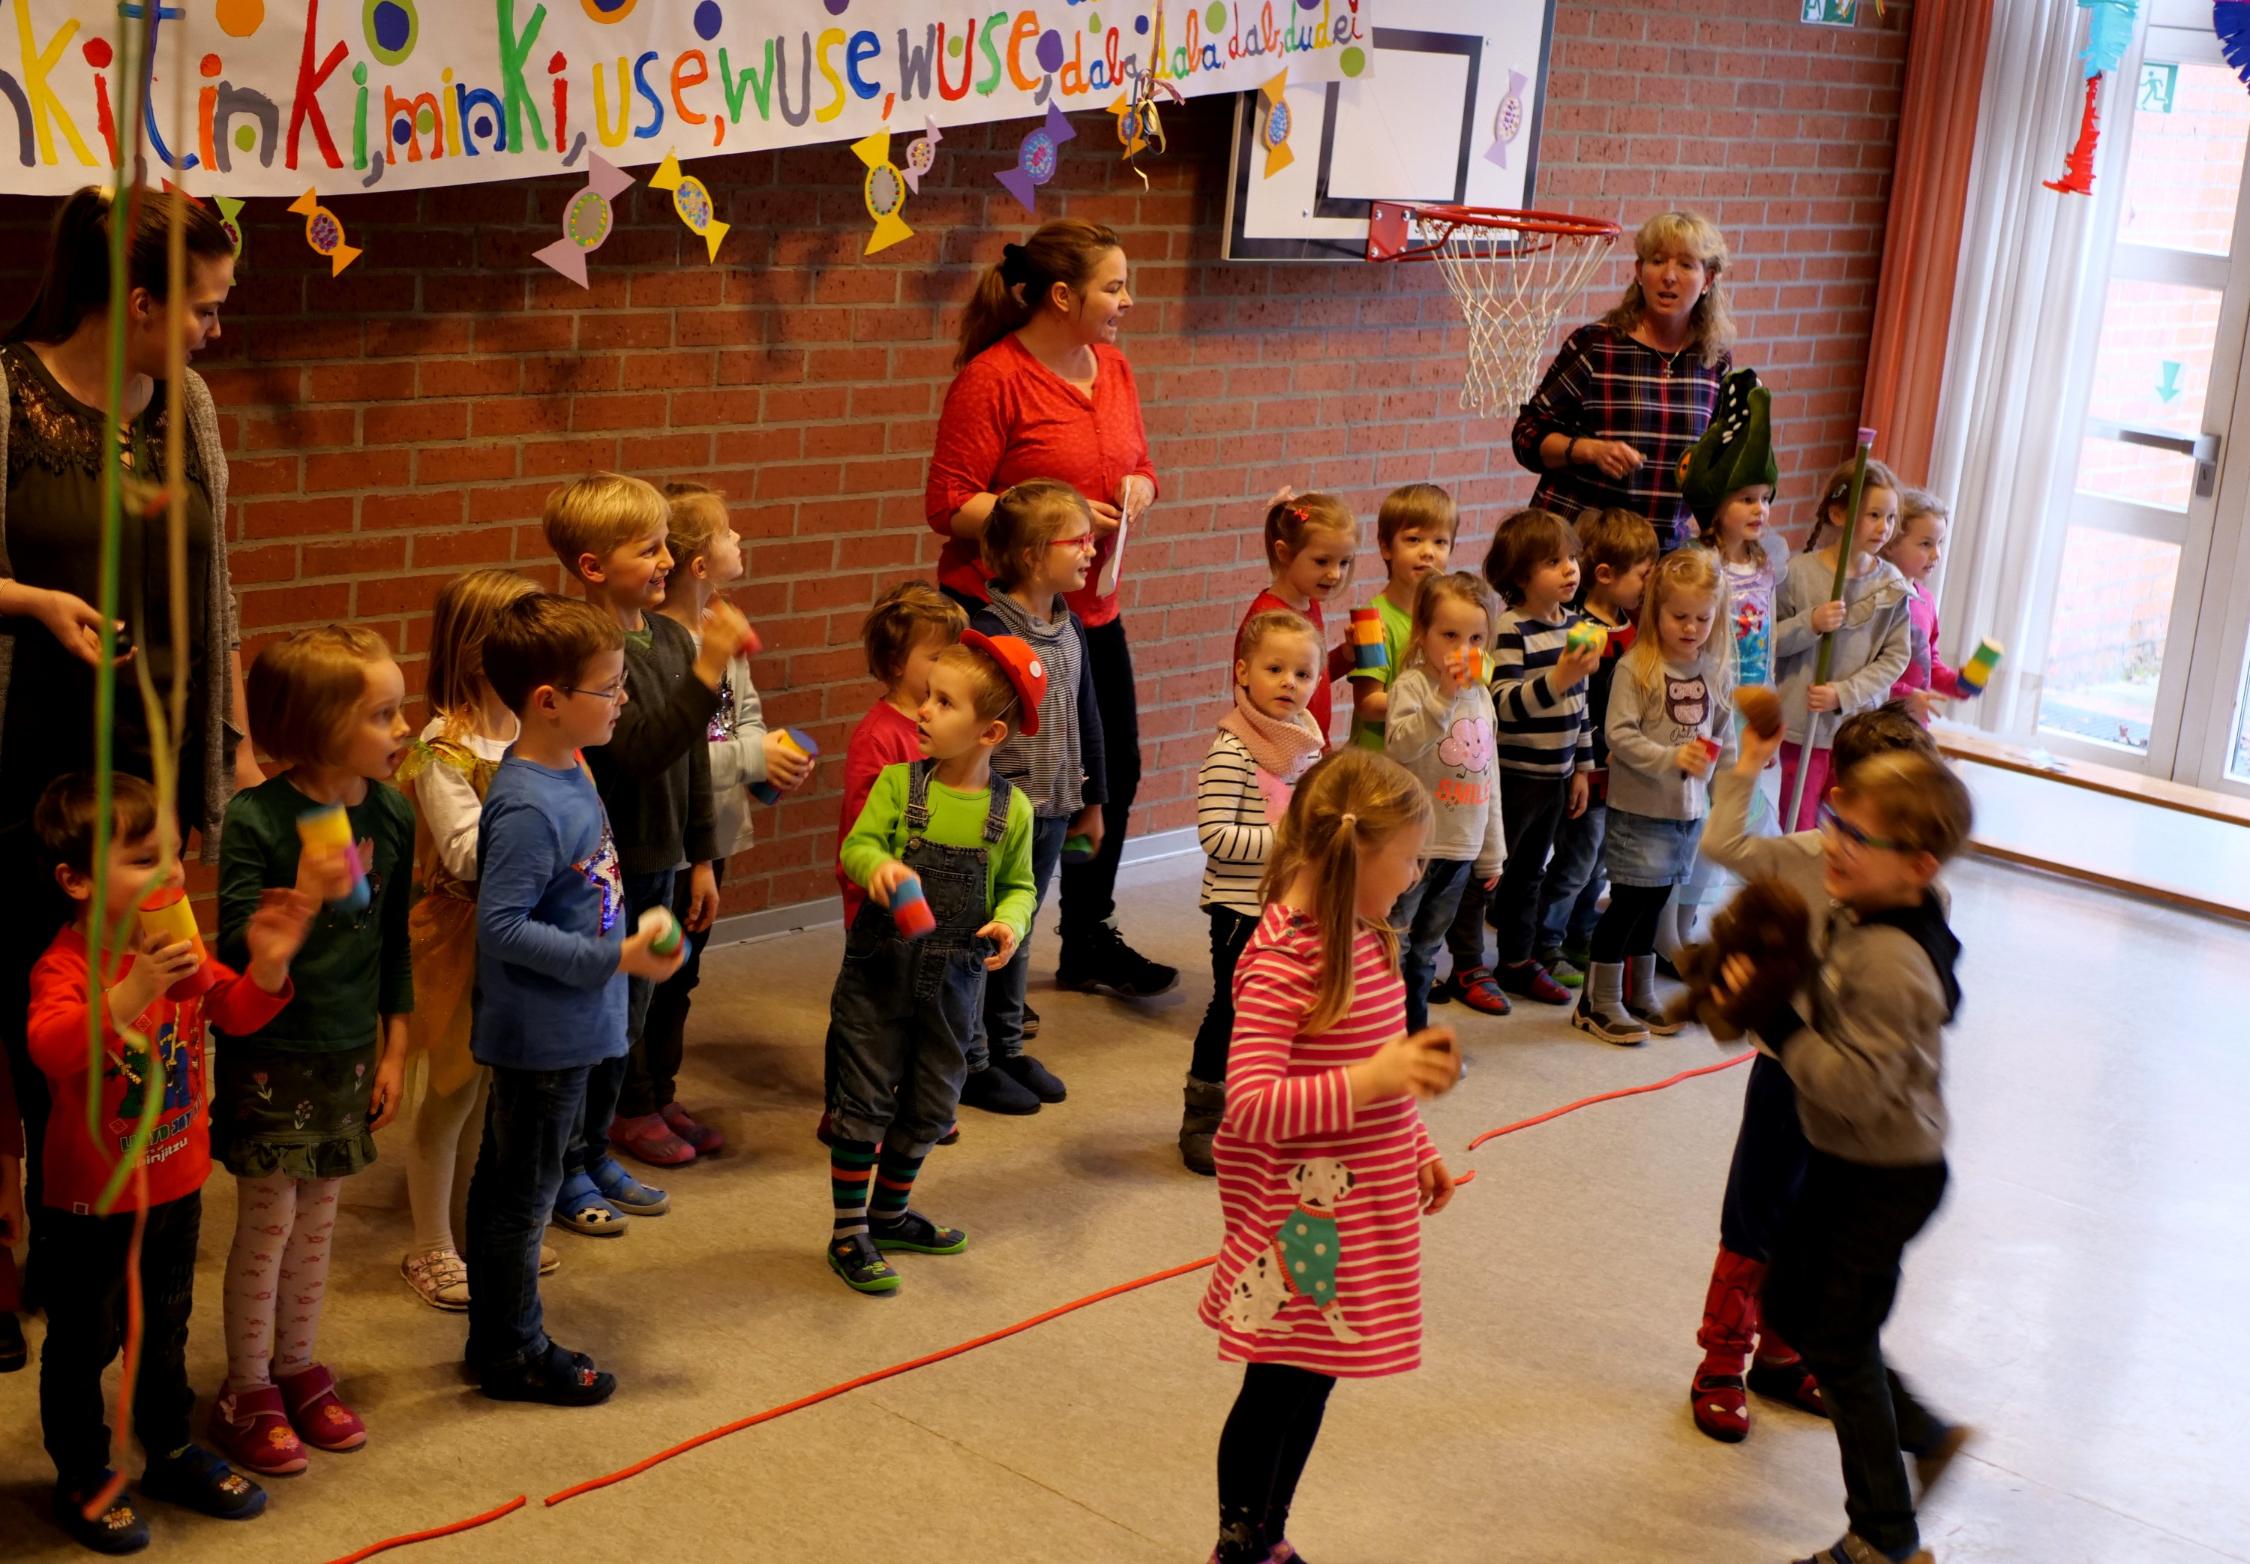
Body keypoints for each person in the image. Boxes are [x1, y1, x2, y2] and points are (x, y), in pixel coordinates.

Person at [1, 186, 259, 1274]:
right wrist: (27, 602)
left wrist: (235, 742)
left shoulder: (186, 402)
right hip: (28, 768)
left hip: (144, 773)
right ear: (138, 301)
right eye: (202, 306)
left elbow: (217, 582)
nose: (214, 327)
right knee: (33, 1017)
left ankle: (97, 1233)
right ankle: (15, 1237)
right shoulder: (9, 393)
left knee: (141, 1002)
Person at [26, 774, 318, 1551]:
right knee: (84, 1345)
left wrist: (266, 966)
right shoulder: (66, 967)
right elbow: (52, 1049)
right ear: (77, 880)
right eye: (143, 860)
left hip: (177, 1186)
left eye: (175, 855)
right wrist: (128, 995)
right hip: (91, 1205)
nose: (172, 876)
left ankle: (171, 1447)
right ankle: (84, 1473)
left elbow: (239, 1011)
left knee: (163, 1335)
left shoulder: (178, 948)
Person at [1707, 736, 1976, 1564]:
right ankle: (1924, 1434)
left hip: (1885, 1178)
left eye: (1859, 836)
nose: (1832, 842)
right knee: (1792, 1305)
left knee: (1843, 1341)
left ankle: (1883, 1540)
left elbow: (1855, 1086)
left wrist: (1779, 1018)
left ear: (1919, 865)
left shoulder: (1895, 961)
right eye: (1833, 821)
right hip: (1845, 1161)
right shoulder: (1872, 912)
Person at [1197, 748, 1460, 1564]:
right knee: (1278, 1383)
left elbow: (1382, 1059)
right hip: (1299, 1220)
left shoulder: (1365, 934)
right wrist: (1370, 1078)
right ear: (1356, 853)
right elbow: (1249, 1104)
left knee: (1314, 1378)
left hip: (1361, 1205)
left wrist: (1416, 1142)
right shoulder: (1283, 960)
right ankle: (1237, 1542)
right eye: (1411, 857)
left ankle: (1270, 1538)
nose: (1417, 874)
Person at [924, 219, 1174, 1001]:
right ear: (1063, 296)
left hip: (1086, 611)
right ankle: (981, 960)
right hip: (999, 612)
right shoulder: (994, 378)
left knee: (1112, 769)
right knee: (1006, 787)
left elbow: (1138, 465)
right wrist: (1054, 516)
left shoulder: (1117, 369)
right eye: (1113, 286)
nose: (1127, 301)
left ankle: (1087, 936)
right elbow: (949, 504)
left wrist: (1141, 487)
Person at [1684, 703, 1933, 1444]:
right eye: (1856, 815)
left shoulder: (1914, 890)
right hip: (1787, 1074)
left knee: (1815, 1222)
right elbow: (1724, 841)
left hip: (1855, 1091)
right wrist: (1750, 765)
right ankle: (1722, 1363)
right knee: (1755, 1217)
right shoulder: (1801, 854)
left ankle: (1782, 1356)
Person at [466, 594, 684, 1405]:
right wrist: (615, 955)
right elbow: (503, 927)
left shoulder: (572, 769)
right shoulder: (526, 801)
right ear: (549, 702)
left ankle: (496, 1336)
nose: (623, 699)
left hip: (570, 1022)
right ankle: (514, 1350)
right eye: (611, 687)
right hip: (541, 1032)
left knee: (512, 1184)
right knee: (522, 1199)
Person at [207, 626, 416, 1475]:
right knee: (269, 1222)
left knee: (319, 1223)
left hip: (346, 1057)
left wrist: (396, 1048)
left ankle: (296, 1364)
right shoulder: (258, 819)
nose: (404, 729)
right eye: (385, 714)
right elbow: (236, 957)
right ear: (322, 726)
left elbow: (393, 942)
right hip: (273, 1054)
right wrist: (297, 904)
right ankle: (246, 1384)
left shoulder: (390, 811)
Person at [542, 473, 749, 1227]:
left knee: (628, 1020)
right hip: (601, 868)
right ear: (593, 567)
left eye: (668, 545)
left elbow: (690, 756)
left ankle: (596, 1149)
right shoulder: (582, 647)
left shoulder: (665, 637)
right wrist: (705, 671)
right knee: (591, 1024)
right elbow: (633, 753)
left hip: (661, 859)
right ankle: (563, 1166)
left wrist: (701, 854)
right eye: (650, 548)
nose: (668, 561)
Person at [826, 634, 1041, 1294]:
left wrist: (1010, 922)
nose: (924, 710)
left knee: (932, 1101)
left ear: (989, 731)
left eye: (944, 703)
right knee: (862, 1098)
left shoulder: (1014, 811)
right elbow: (856, 847)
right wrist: (880, 866)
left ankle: (889, 1215)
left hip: (954, 983)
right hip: (879, 971)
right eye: (927, 696)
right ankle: (848, 1232)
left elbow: (1020, 886)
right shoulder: (899, 785)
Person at [633, 483, 814, 1166]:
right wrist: (749, 756)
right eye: (729, 533)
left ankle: (661, 1091)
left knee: (683, 975)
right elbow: (669, 755)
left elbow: (749, 717)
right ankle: (631, 1103)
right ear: (699, 564)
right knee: (648, 978)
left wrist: (769, 758)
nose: (742, 541)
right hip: (664, 837)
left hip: (710, 837)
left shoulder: (725, 630)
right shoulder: (659, 646)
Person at [395, 569, 545, 1312]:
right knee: (451, 1095)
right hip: (462, 941)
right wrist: (546, 839)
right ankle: (429, 1243)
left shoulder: (530, 730)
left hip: (521, 938)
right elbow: (461, 851)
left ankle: (470, 1228)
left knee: (493, 1093)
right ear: (482, 650)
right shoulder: (439, 748)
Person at [963, 480, 1107, 1114]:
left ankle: (1007, 1043)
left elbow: (1087, 715)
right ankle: (972, 1060)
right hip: (999, 813)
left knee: (1017, 929)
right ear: (1030, 555)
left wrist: (1094, 799)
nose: (1092, 552)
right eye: (1079, 541)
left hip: (1051, 806)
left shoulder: (1068, 625)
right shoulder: (989, 632)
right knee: (983, 930)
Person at [818, 582, 970, 1150]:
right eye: (936, 656)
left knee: (924, 1004)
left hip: (939, 900)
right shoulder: (880, 736)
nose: (949, 667)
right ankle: (845, 1107)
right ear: (893, 663)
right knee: (870, 1008)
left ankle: (915, 1102)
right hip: (881, 903)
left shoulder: (950, 730)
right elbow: (864, 832)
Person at [1438, 510, 1601, 1014]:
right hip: (1511, 777)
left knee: (1531, 871)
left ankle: (1516, 958)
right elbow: (1503, 704)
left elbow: (1582, 707)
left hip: (1555, 777)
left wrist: (1582, 767)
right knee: (1487, 871)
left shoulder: (1577, 626)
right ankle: (1468, 963)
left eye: (1572, 557)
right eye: (1554, 561)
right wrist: (1558, 678)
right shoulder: (1509, 629)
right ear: (1520, 573)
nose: (1571, 569)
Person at [1183, 610, 1326, 1176]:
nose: (1290, 682)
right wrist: (1293, 840)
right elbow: (1216, 838)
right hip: (1240, 911)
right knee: (1233, 1011)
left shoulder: (1305, 746)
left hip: (1294, 909)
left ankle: (1264, 1117)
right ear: (1243, 673)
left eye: (1304, 673)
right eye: (1275, 669)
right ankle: (1202, 1115)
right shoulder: (1232, 751)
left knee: (1285, 1015)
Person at [1572, 550, 1730, 1044]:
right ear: (1655, 612)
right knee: (1628, 903)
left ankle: (1640, 993)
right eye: (1679, 616)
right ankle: (1597, 1003)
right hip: (1639, 810)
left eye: (1702, 618)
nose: (1690, 628)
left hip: (1686, 812)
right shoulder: (1637, 668)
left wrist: (1729, 764)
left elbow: (1719, 727)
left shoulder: (1714, 668)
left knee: (1657, 901)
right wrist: (1670, 759)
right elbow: (1618, 735)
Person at [1512, 210, 1736, 549]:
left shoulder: (1713, 362)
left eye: (1687, 265)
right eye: (1657, 261)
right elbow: (1526, 436)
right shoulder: (1596, 345)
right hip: (1574, 549)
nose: (1669, 277)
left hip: (1655, 554)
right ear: (1639, 272)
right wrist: (1587, 450)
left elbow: (1715, 468)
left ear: (1708, 280)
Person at [1670, 373, 1787, 965]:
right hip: (1711, 710)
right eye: (1746, 498)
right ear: (1716, 507)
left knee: (1746, 815)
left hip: (1750, 706)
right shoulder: (1698, 564)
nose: (1759, 509)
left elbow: (1761, 646)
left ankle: (1706, 921)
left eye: (1764, 497)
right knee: (1704, 823)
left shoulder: (1767, 565)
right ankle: (1676, 928)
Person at [1533, 507, 1657, 988]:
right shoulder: (1584, 629)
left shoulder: (1632, 624)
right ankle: (1547, 940)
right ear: (1604, 575)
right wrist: (1593, 755)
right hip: (1590, 763)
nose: (1649, 585)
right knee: (1576, 860)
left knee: (1603, 860)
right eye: (1643, 575)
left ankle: (1582, 933)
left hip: (1623, 770)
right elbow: (1581, 700)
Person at [1383, 572, 1505, 1036]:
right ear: (1423, 634)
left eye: (1475, 637)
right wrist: (1443, 698)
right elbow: (1400, 746)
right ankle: (1373, 1036)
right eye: (1449, 635)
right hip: (1412, 848)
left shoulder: (1482, 698)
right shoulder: (1413, 687)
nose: (1462, 647)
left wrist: (1492, 850)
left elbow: (1488, 778)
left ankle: (1413, 1037)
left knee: (1427, 951)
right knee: (1391, 943)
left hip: (1460, 848)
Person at [1775, 459, 1910, 831]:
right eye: (1874, 515)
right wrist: (1810, 623)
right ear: (1838, 513)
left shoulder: (1891, 585)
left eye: (1892, 518)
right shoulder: (1798, 573)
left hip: (1858, 729)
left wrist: (1844, 693)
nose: (1884, 528)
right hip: (1803, 728)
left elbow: (1895, 657)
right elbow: (1770, 642)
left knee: (1847, 824)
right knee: (1798, 823)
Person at [1235, 493, 1359, 743]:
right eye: (1322, 561)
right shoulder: (1267, 619)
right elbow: (1253, 700)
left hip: (1309, 748)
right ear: (1284, 553)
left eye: (1344, 562)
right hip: (1280, 755)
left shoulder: (1309, 602)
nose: (1335, 574)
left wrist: (1346, 655)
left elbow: (1306, 674)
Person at [1348, 483, 1457, 751]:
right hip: (1380, 765)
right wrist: (1437, 697)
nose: (1428, 552)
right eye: (1414, 539)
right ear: (1386, 547)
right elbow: (1367, 704)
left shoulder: (1449, 617)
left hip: (1426, 760)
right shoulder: (1372, 621)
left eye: (1440, 541)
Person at [1880, 490, 1963, 727]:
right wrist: (1904, 695)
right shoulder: (1878, 598)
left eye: (1939, 544)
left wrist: (1957, 682)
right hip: (1874, 724)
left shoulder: (1925, 599)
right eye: (1926, 544)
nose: (1936, 555)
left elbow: (1928, 662)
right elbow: (1859, 671)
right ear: (1891, 544)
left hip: (1912, 726)